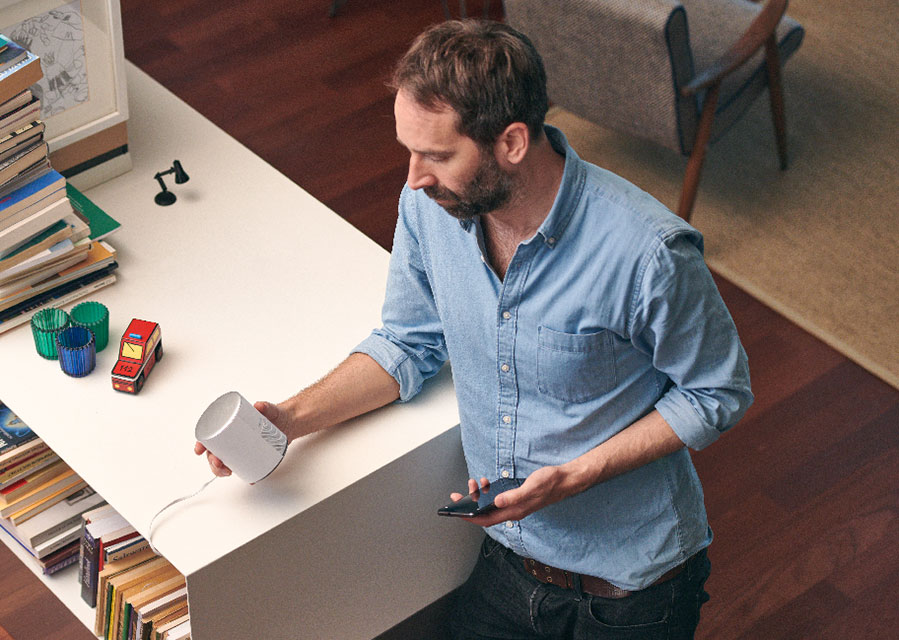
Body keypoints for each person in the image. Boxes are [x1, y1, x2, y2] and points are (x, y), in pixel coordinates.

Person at [196, 19, 752, 639]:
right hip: (511, 564)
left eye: (436, 155)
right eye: (409, 150)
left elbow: (717, 393)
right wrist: (289, 420)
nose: (413, 177)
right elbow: (408, 341)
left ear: (512, 142)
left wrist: (575, 476)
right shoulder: (430, 210)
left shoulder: (648, 254)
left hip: (631, 591)